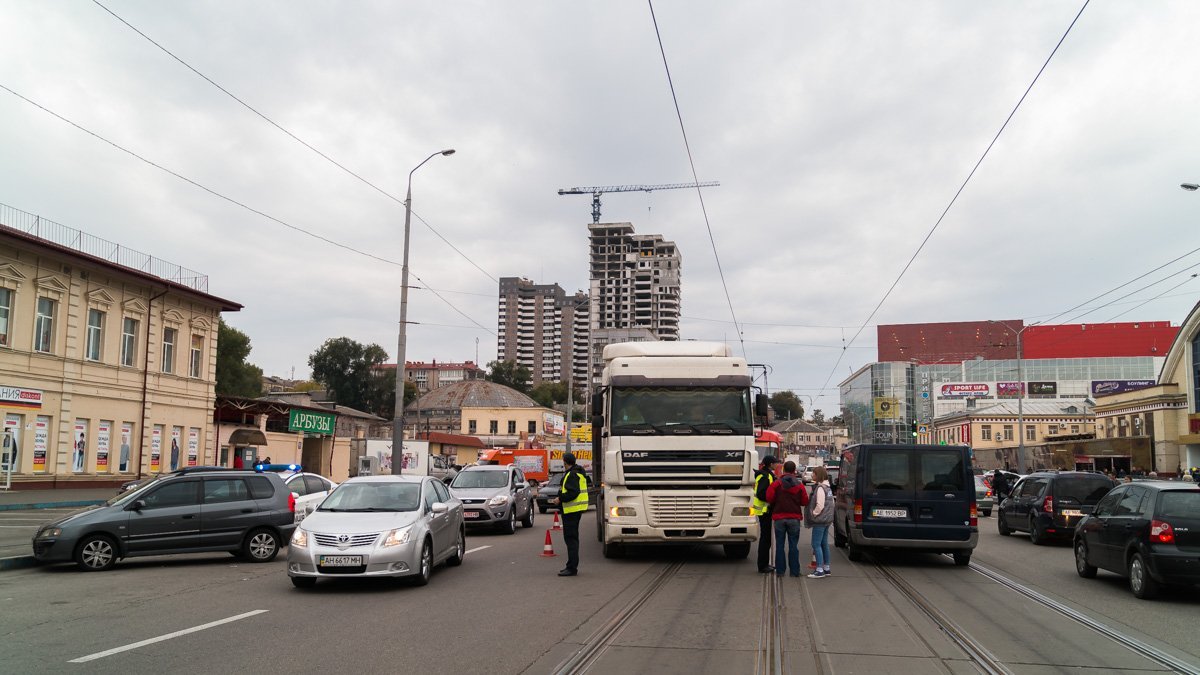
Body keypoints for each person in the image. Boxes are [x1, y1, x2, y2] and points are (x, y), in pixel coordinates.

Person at [765, 460, 809, 578]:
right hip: (794, 518)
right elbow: (805, 501)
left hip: (779, 517)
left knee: (779, 545)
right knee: (793, 545)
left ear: (784, 470)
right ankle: (794, 571)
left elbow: (769, 497)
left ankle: (780, 571)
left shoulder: (777, 484)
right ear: (794, 470)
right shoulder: (799, 485)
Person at [554, 451, 589, 577]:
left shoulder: (572, 474)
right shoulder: (578, 472)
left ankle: (572, 568)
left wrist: (560, 498)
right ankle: (571, 566)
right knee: (572, 539)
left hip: (571, 511)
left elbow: (573, 492)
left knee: (571, 540)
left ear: (565, 461)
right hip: (574, 511)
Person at [805, 465, 835, 578]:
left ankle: (819, 569)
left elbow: (820, 505)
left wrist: (814, 513)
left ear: (818, 475)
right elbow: (832, 503)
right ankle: (826, 568)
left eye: (814, 473)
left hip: (820, 520)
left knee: (816, 544)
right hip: (827, 519)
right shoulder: (828, 488)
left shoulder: (820, 488)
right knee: (824, 544)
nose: (812, 475)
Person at [752, 455, 779, 574]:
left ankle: (764, 564)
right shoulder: (765, 476)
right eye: (775, 463)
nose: (776, 464)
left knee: (766, 538)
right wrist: (772, 499)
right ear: (770, 464)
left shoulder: (765, 474)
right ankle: (762, 566)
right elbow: (761, 493)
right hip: (764, 510)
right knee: (765, 539)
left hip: (764, 510)